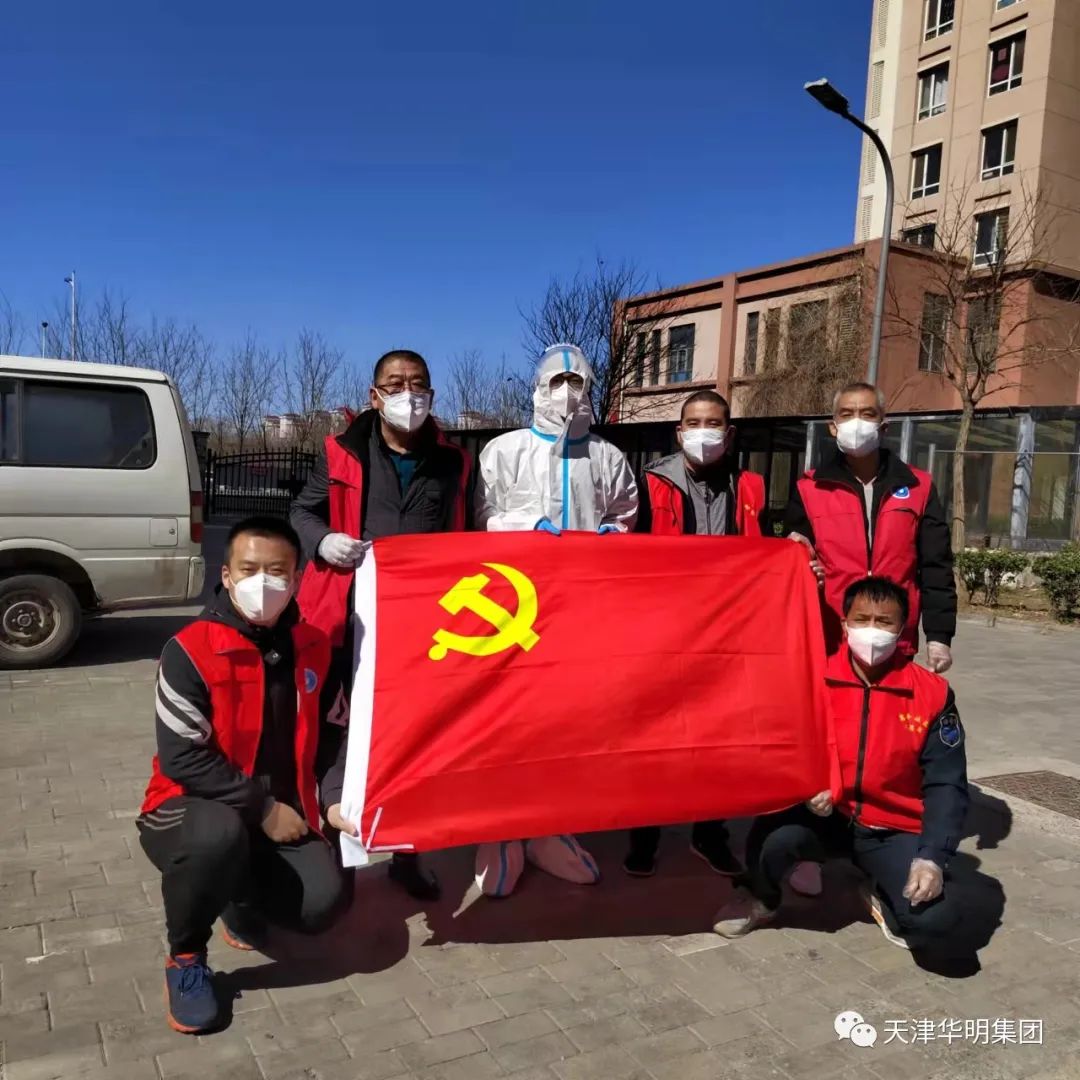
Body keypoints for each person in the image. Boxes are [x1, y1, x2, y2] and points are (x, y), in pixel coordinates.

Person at [138, 516, 353, 1035]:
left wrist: (331, 800)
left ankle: (236, 900)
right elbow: (182, 759)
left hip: (283, 814)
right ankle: (186, 959)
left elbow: (333, 738)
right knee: (217, 836)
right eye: (249, 569)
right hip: (189, 809)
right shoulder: (188, 650)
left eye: (277, 571)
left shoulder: (315, 647)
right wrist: (262, 808)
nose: (263, 582)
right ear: (227, 575)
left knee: (325, 904)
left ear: (297, 578)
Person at [290, 349, 471, 902]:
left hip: (420, 624)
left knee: (412, 738)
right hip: (346, 618)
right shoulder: (340, 451)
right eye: (395, 384)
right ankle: (338, 851)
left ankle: (407, 853)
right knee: (338, 733)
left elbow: (462, 533)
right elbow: (302, 512)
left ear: (432, 394)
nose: (407, 395)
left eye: (418, 384)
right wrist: (323, 540)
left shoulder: (454, 461)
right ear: (374, 395)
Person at [713, 577, 970, 959]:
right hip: (825, 815)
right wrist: (804, 786)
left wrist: (932, 856)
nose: (872, 631)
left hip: (891, 828)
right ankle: (762, 898)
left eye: (884, 621)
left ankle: (879, 889)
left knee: (935, 923)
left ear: (902, 628)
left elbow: (946, 783)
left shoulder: (932, 694)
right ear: (844, 623)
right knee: (771, 842)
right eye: (861, 619)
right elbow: (778, 748)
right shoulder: (813, 679)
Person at [472, 343, 637, 896]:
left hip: (581, 613)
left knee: (566, 723)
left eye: (578, 382)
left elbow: (625, 513)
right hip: (513, 610)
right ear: (537, 388)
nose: (567, 392)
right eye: (557, 382)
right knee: (508, 721)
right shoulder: (503, 451)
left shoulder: (608, 457)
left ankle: (551, 828)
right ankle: (500, 831)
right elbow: (480, 519)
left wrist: (615, 534)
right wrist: (525, 525)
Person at [624, 389, 765, 879]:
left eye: (714, 423)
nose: (704, 432)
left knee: (717, 740)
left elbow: (766, 553)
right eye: (694, 423)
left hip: (727, 634)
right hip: (664, 634)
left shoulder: (750, 487)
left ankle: (709, 832)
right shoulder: (649, 484)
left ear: (730, 433)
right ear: (679, 432)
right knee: (654, 738)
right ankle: (645, 832)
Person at [784, 381, 956, 670]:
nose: (857, 422)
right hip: (831, 634)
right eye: (847, 414)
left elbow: (936, 566)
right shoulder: (809, 488)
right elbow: (795, 566)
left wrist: (939, 636)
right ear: (833, 427)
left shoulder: (919, 487)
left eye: (867, 414)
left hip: (894, 634)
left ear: (883, 427)